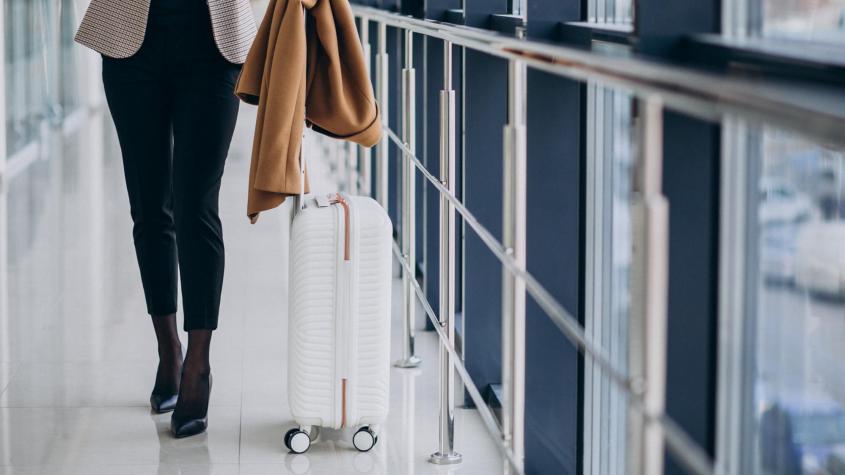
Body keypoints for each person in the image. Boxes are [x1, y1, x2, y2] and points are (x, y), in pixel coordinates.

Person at [74, 0, 257, 438]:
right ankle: (168, 349)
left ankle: (198, 363)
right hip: (130, 41)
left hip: (214, 42)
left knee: (197, 204)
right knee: (150, 206)